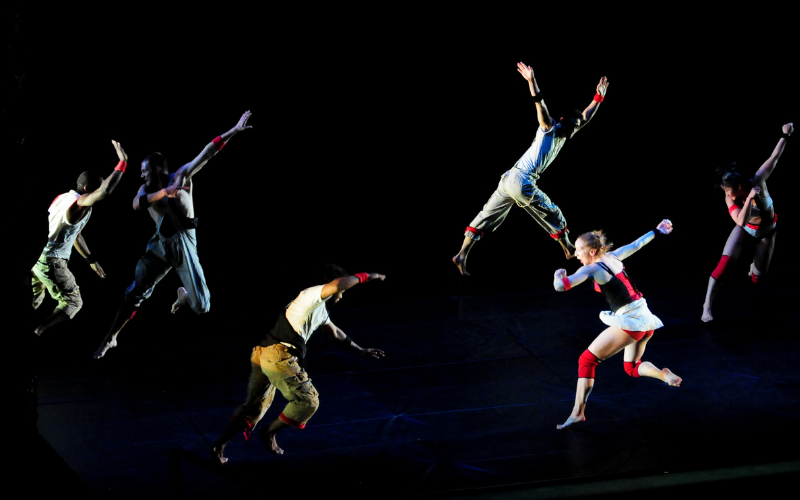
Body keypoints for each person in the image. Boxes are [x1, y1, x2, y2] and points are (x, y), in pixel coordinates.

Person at [93, 111, 253, 358]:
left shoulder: (181, 176)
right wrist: (164, 194)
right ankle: (111, 337)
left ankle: (185, 295)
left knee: (203, 306)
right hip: (160, 243)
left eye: (145, 170)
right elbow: (136, 204)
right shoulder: (146, 188)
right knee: (134, 292)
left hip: (183, 241)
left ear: (157, 169)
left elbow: (207, 154)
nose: (142, 174)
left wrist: (233, 131)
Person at [210, 267, 386, 463]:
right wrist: (369, 277)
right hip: (278, 355)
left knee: (254, 407)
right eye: (342, 291)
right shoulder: (311, 294)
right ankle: (268, 433)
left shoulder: (319, 308)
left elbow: (335, 332)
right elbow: (338, 284)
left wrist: (359, 349)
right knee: (308, 402)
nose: (342, 295)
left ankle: (219, 445)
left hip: (264, 354)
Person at [453, 63, 609, 275]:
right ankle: (568, 249)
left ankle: (461, 254)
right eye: (572, 127)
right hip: (522, 182)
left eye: (575, 128)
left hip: (508, 179)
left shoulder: (567, 131)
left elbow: (586, 116)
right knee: (554, 214)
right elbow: (540, 103)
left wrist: (598, 98)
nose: (574, 131)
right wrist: (530, 80)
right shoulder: (549, 129)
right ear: (563, 122)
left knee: (486, 216)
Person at [552, 221, 682, 430]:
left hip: (631, 322)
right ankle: (662, 373)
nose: (575, 254)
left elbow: (561, 287)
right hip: (645, 318)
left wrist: (558, 276)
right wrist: (657, 231)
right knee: (632, 368)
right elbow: (638, 244)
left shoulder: (593, 268)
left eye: (578, 250)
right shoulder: (612, 256)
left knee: (586, 360)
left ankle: (577, 413)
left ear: (592, 251)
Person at [32, 140, 128, 336]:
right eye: (96, 187)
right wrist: (122, 163)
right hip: (52, 261)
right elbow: (105, 191)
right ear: (86, 188)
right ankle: (38, 333)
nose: (99, 192)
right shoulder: (78, 204)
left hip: (38, 259)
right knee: (73, 302)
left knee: (34, 302)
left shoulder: (61, 198)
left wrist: (91, 261)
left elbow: (75, 234)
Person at [701, 123, 793, 322]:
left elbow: (773, 158)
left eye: (728, 190)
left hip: (766, 233)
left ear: (739, 186)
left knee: (758, 280)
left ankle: (755, 268)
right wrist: (750, 198)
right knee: (724, 265)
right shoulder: (730, 199)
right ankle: (707, 305)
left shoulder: (758, 181)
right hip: (745, 229)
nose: (726, 194)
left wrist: (785, 135)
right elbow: (741, 222)